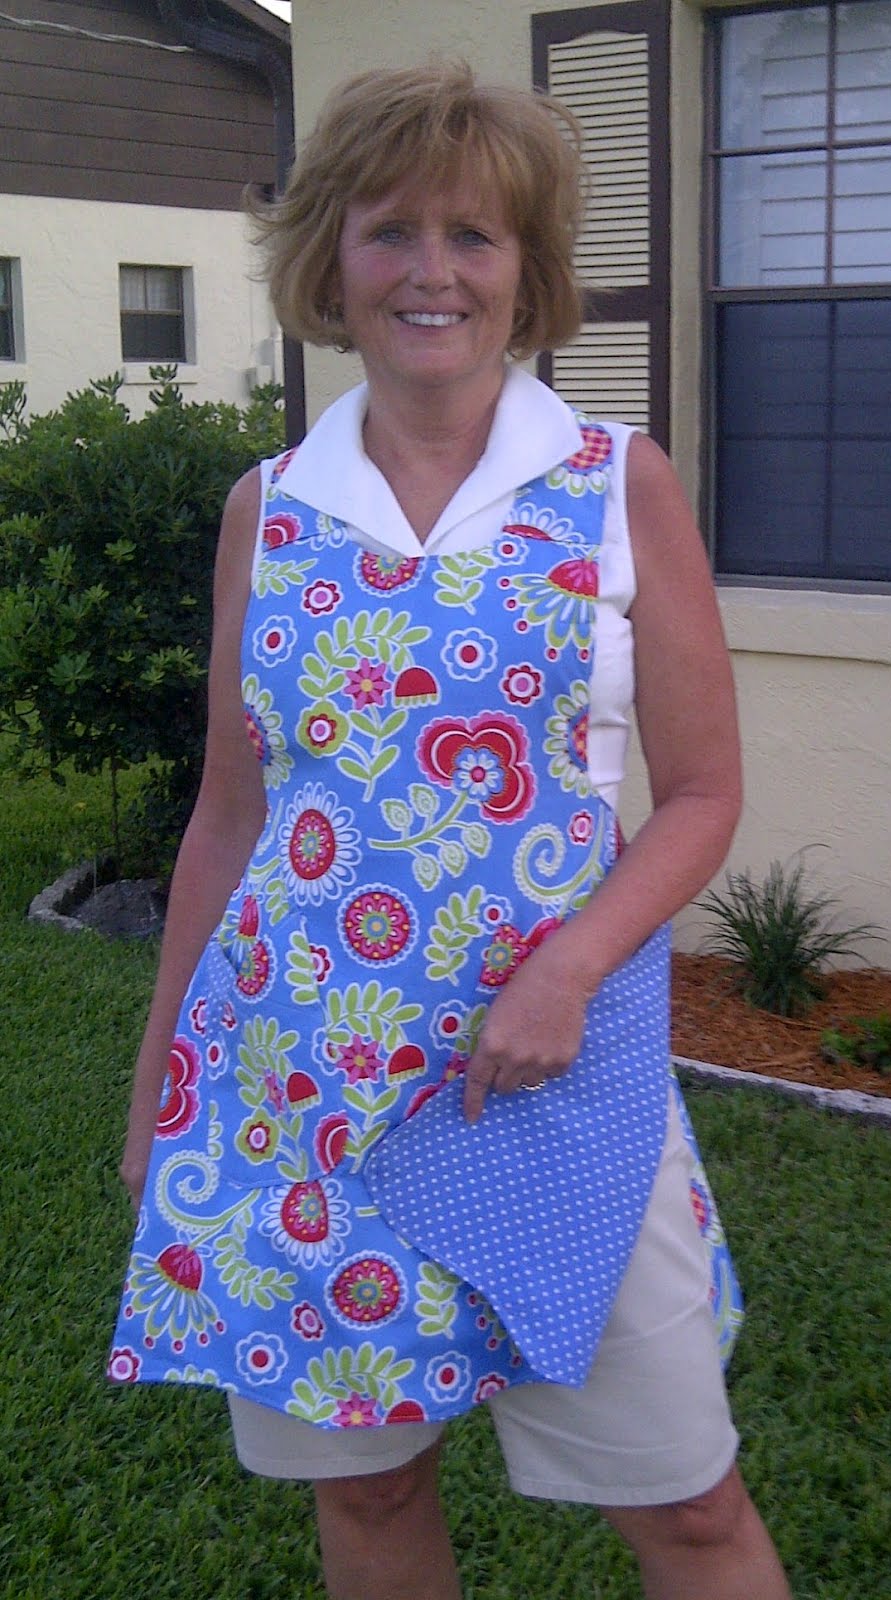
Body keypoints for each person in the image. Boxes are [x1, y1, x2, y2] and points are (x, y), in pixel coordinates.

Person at [109, 62, 792, 1600]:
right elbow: (233, 810)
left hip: (549, 1078)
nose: (432, 273)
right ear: (329, 262)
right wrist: (166, 1070)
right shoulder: (269, 508)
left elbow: (699, 794)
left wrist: (567, 974)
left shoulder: (615, 484)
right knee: (368, 1496)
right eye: (390, 231)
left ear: (526, 270)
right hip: (300, 1085)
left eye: (475, 238)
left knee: (685, 1501)